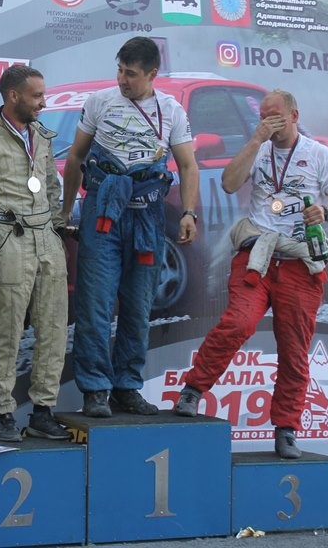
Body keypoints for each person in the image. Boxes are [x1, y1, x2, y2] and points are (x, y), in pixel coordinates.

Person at [173, 90, 328, 460]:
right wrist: (256, 139)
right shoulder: (257, 148)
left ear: (294, 116)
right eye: (264, 116)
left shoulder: (319, 154)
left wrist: (325, 212)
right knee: (238, 322)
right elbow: (228, 183)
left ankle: (286, 429)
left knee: (294, 349)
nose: (269, 121)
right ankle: (192, 390)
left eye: (276, 116)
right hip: (257, 255)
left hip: (299, 262)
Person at [62, 36, 200, 418]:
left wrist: (188, 213)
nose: (123, 79)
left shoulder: (171, 110)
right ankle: (95, 389)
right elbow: (75, 156)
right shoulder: (99, 102)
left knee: (139, 307)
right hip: (103, 213)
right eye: (120, 70)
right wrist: (66, 211)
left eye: (132, 74)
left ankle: (127, 387)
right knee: (95, 305)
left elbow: (188, 165)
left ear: (152, 74)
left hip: (147, 217)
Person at [0, 64, 70, 442]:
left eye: (43, 95)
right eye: (37, 96)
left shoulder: (43, 136)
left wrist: (56, 228)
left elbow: (51, 186)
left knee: (54, 328)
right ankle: (3, 412)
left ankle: (43, 411)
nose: (43, 102)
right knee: (7, 330)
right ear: (13, 95)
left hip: (45, 236)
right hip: (7, 236)